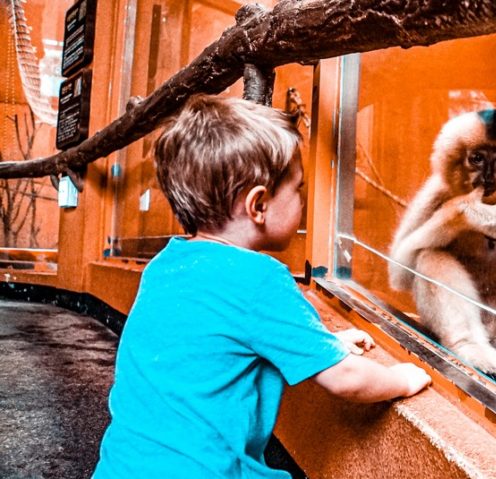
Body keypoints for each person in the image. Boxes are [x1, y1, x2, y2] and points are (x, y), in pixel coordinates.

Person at [92, 95, 431, 479]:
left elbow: (219, 340)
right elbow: (346, 379)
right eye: (299, 189)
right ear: (259, 205)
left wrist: (325, 345)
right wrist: (402, 380)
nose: (303, 201)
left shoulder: (166, 265)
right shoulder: (260, 279)